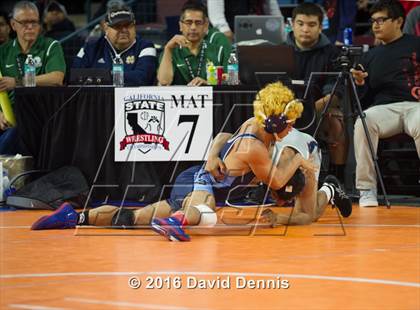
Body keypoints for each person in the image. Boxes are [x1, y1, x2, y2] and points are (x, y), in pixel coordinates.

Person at [31, 82, 352, 242]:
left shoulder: (253, 127)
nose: (291, 128)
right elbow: (279, 182)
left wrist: (213, 155)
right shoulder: (259, 146)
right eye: (289, 122)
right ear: (281, 119)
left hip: (198, 175)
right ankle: (180, 221)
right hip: (202, 182)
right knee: (205, 211)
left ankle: (77, 217)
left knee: (136, 217)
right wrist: (300, 162)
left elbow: (222, 135)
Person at [350, 0, 420, 207]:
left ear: (399, 21)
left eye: (381, 20)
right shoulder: (369, 56)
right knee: (363, 121)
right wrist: (360, 83)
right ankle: (366, 189)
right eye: (373, 21)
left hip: (416, 105)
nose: (375, 25)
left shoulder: (416, 44)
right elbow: (363, 99)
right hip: (384, 109)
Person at [287, 3, 348, 184]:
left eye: (312, 25)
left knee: (336, 120)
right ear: (292, 24)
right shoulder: (279, 51)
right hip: (284, 113)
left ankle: (336, 180)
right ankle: (266, 180)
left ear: (321, 27)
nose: (305, 29)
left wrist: (309, 110)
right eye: (301, 23)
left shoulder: (333, 53)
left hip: (318, 110)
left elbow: (335, 92)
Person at [0, 1, 66, 155]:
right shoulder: (3, 52)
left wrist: (16, 82)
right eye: (24, 22)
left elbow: (56, 78)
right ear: (13, 25)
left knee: (17, 133)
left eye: (34, 22)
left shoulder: (51, 46)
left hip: (39, 116)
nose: (30, 27)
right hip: (9, 117)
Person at [72, 4, 157, 86]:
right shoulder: (91, 47)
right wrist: (113, 77)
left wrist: (103, 76)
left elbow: (143, 78)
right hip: (98, 98)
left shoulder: (146, 46)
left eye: (128, 25)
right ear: (106, 28)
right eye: (117, 26)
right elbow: (75, 75)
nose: (124, 30)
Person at [157, 1, 231, 86]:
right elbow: (164, 82)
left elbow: (231, 80)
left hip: (212, 98)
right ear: (180, 25)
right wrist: (168, 49)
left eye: (198, 23)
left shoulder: (219, 51)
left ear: (206, 25)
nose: (193, 27)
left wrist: (208, 84)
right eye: (188, 22)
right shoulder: (171, 51)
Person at [207, 0, 285, 43]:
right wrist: (225, 32)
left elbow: (275, 14)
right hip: (229, 34)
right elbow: (216, 17)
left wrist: (281, 30)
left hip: (257, 34)